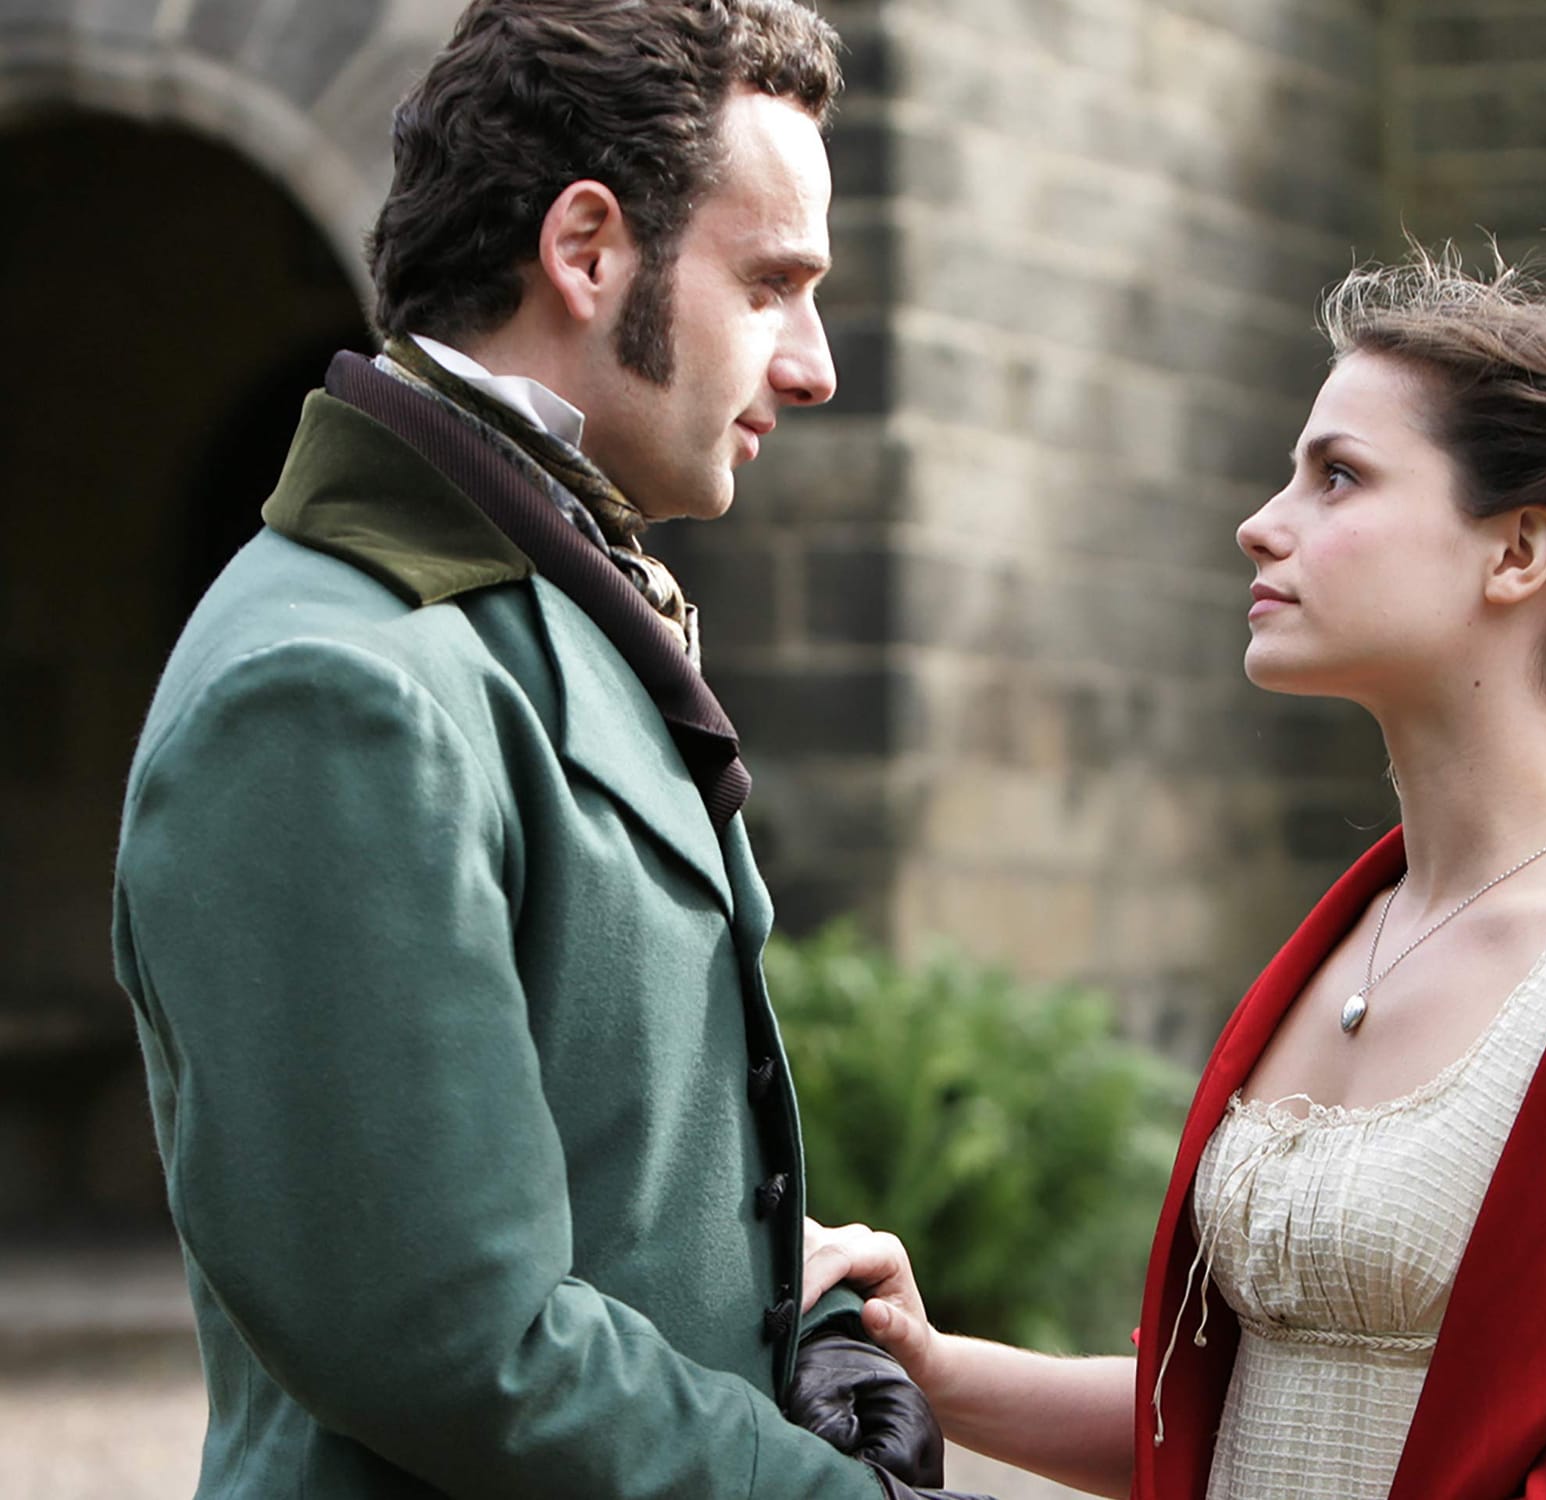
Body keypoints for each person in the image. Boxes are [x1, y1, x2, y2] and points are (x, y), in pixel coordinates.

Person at [801, 212, 1546, 1498]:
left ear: (1515, 551)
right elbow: (1228, 1416)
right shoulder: (1354, 933)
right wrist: (931, 1362)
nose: (1260, 523)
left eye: (1335, 476)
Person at [110, 3, 986, 1496]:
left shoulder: (540, 597)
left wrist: (802, 1317)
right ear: (587, 251)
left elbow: (621, 1163)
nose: (815, 365)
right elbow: (446, 1337)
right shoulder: (335, 682)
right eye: (772, 286)